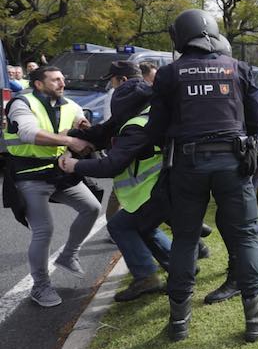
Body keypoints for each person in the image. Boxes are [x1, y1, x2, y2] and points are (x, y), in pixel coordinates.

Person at [145, 9, 258, 342]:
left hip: (186, 167)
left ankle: (178, 323)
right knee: (247, 236)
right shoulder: (239, 69)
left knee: (186, 239)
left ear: (180, 38)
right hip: (234, 165)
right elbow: (257, 120)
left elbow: (156, 129)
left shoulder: (168, 74)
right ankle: (255, 317)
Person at [58, 77, 173, 302]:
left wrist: (75, 165)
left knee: (120, 226)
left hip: (157, 190)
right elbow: (104, 132)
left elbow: (112, 165)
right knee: (141, 227)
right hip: (163, 187)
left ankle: (148, 277)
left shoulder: (137, 127)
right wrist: (71, 137)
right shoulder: (150, 113)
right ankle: (180, 265)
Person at [2, 66, 100, 307]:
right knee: (44, 230)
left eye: (63, 79)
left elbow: (80, 121)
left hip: (59, 172)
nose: (62, 83)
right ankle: (40, 286)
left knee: (92, 208)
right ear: (38, 84)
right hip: (30, 175)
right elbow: (27, 133)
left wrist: (84, 127)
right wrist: (69, 140)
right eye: (56, 80)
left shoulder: (69, 104)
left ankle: (68, 256)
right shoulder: (21, 103)